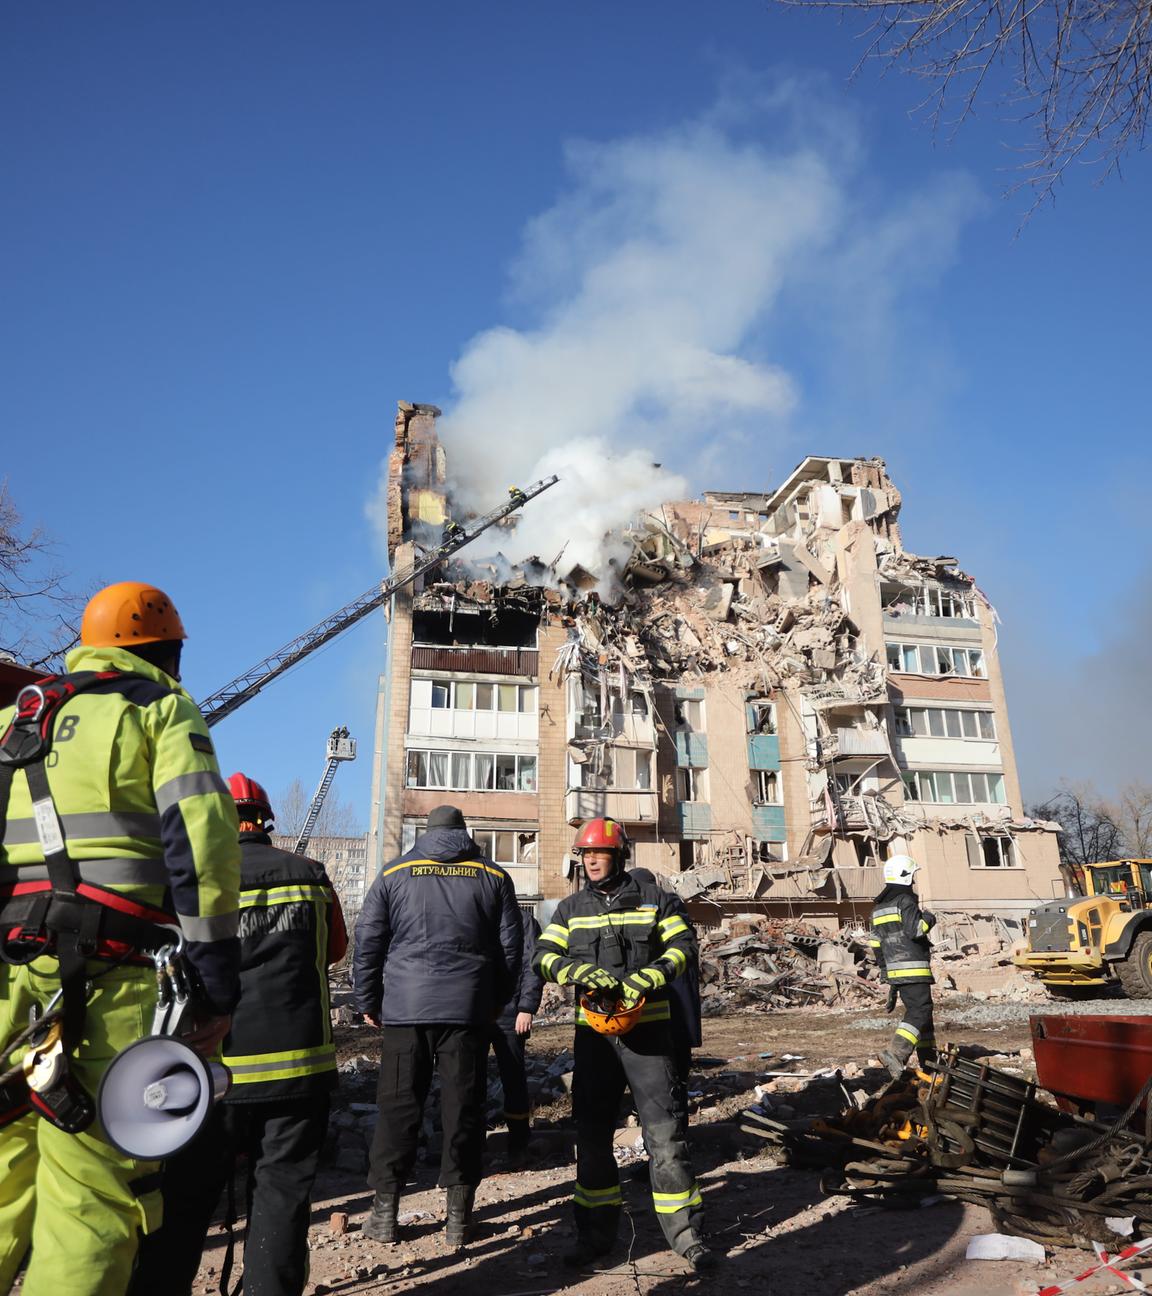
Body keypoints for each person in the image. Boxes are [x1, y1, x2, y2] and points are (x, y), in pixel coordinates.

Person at [0, 581, 241, 1296]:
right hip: (113, 981)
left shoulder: (19, 718)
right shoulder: (160, 709)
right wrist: (216, 979)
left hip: (14, 981)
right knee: (93, 1193)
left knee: (7, 1171)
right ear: (167, 653)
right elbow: (201, 844)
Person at [132, 773, 346, 1296]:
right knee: (282, 1194)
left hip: (212, 1076)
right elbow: (335, 949)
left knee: (184, 1201)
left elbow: (160, 969)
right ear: (266, 821)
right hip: (300, 1070)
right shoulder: (312, 874)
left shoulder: (193, 882)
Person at [533, 819, 715, 1273]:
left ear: (619, 856)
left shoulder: (657, 900)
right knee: (592, 1138)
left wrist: (650, 976)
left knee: (665, 1137)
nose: (591, 861)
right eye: (585, 855)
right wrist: (576, 972)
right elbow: (541, 957)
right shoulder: (570, 908)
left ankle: (688, 1238)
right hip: (594, 1039)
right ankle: (595, 1236)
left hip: (649, 1038)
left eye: (599, 854)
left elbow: (683, 947)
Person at [354, 805, 522, 1250]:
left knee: (397, 1107)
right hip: (467, 1010)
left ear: (425, 833)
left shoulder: (394, 873)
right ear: (464, 833)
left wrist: (368, 1000)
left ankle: (385, 1215)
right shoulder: (493, 876)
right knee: (463, 1108)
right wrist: (494, 1002)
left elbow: (369, 942)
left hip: (406, 1011)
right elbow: (511, 950)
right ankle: (458, 1221)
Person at [628, 868, 701, 1087]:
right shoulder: (664, 904)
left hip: (671, 983)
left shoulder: (665, 905)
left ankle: (676, 1088)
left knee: (674, 1041)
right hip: (670, 982)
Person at [868, 854, 937, 1078]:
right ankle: (896, 1054)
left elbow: (875, 943)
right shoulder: (905, 901)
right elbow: (915, 930)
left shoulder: (878, 908)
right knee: (920, 1011)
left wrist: (886, 971)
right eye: (912, 876)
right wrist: (929, 918)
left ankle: (930, 1061)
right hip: (914, 967)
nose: (914, 882)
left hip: (896, 969)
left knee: (921, 1014)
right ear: (905, 876)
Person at [489, 908, 543, 1163]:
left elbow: (534, 964)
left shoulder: (523, 921)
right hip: (473, 1013)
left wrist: (526, 1007)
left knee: (513, 1078)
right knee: (468, 1080)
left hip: (511, 1014)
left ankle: (518, 1145)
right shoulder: (473, 913)